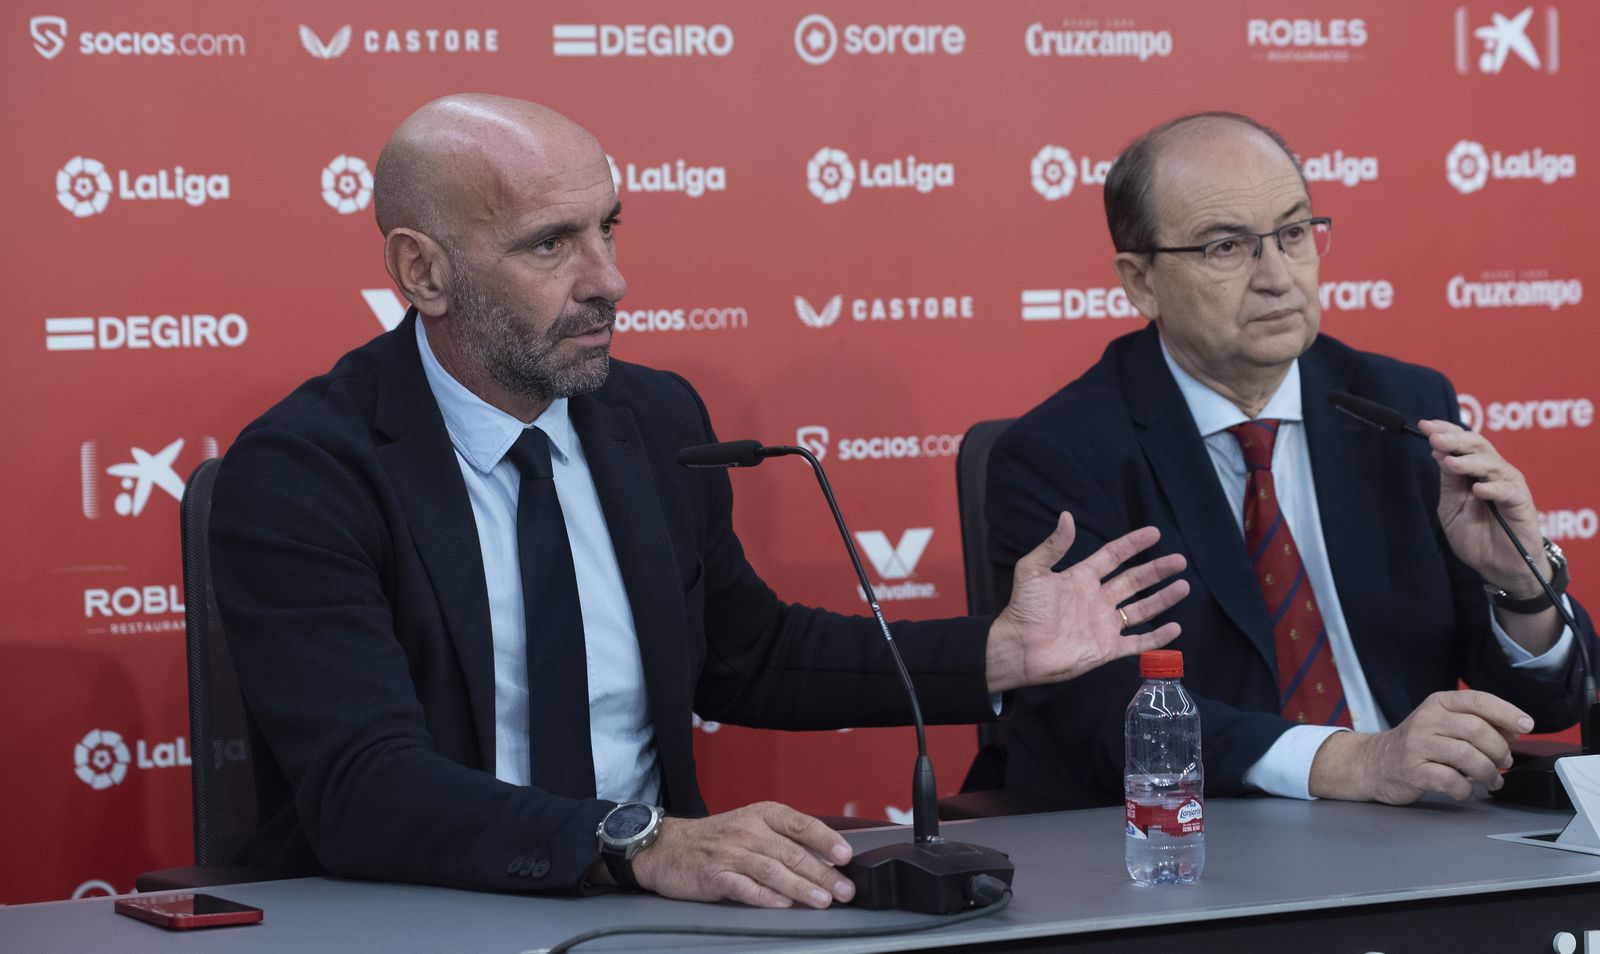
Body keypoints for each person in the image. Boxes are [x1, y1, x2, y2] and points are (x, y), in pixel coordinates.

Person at [209, 93, 1190, 910]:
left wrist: (996, 654)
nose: (610, 281)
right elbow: (364, 787)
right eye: (551, 245)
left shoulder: (650, 417)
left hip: (647, 918)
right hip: (418, 912)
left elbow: (747, 655)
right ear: (422, 271)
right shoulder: (307, 470)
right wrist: (639, 840)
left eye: (610, 226)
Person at [988, 111, 1597, 809]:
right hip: (1196, 847)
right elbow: (1100, 719)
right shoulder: (1061, 456)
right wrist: (1355, 762)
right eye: (1226, 247)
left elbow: (1547, 705)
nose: (1276, 276)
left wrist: (1518, 588)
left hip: (1421, 840)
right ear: (1140, 281)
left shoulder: (1402, 408)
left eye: (1293, 233)